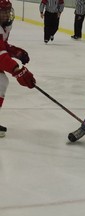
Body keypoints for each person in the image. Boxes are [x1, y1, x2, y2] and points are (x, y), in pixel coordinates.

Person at [0, 0, 36, 137]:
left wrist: (16, 52)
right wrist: (16, 70)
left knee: (1, 82)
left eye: (7, 11)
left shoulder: (5, 26)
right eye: (2, 11)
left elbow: (3, 46)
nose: (6, 14)